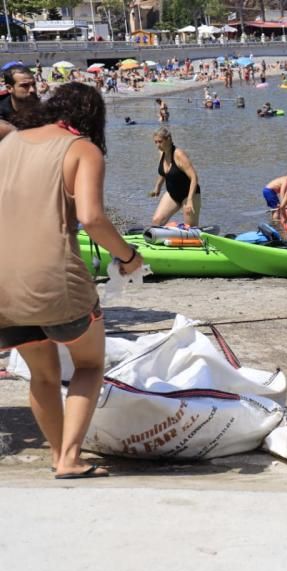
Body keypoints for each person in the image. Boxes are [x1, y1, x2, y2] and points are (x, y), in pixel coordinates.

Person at [0, 82, 144, 479]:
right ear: (92, 118)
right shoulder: (82, 148)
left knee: (42, 373)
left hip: (3, 281)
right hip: (53, 276)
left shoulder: (8, 144)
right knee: (89, 364)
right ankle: (70, 458)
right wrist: (129, 257)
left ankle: (56, 455)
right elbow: (93, 218)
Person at [148, 127, 201, 227]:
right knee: (156, 221)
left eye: (160, 142)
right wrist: (157, 187)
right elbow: (164, 172)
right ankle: (171, 230)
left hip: (189, 195)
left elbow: (194, 177)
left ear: (169, 139)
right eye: (155, 142)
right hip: (173, 194)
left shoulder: (179, 155)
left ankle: (184, 231)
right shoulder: (162, 153)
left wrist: (189, 200)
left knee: (190, 229)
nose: (158, 145)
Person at [0, 64, 40, 139]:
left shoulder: (43, 109)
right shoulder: (2, 113)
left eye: (33, 84)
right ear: (9, 88)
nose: (32, 90)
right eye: (25, 86)